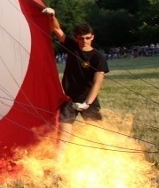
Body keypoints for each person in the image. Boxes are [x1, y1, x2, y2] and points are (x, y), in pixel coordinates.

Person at [42, 8, 109, 136]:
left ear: (92, 37)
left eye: (87, 38)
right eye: (80, 38)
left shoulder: (98, 57)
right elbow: (57, 30)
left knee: (97, 134)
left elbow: (97, 83)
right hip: (69, 98)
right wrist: (52, 16)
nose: (84, 41)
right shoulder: (72, 47)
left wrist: (87, 103)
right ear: (76, 38)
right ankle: (60, 156)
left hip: (88, 99)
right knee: (63, 134)